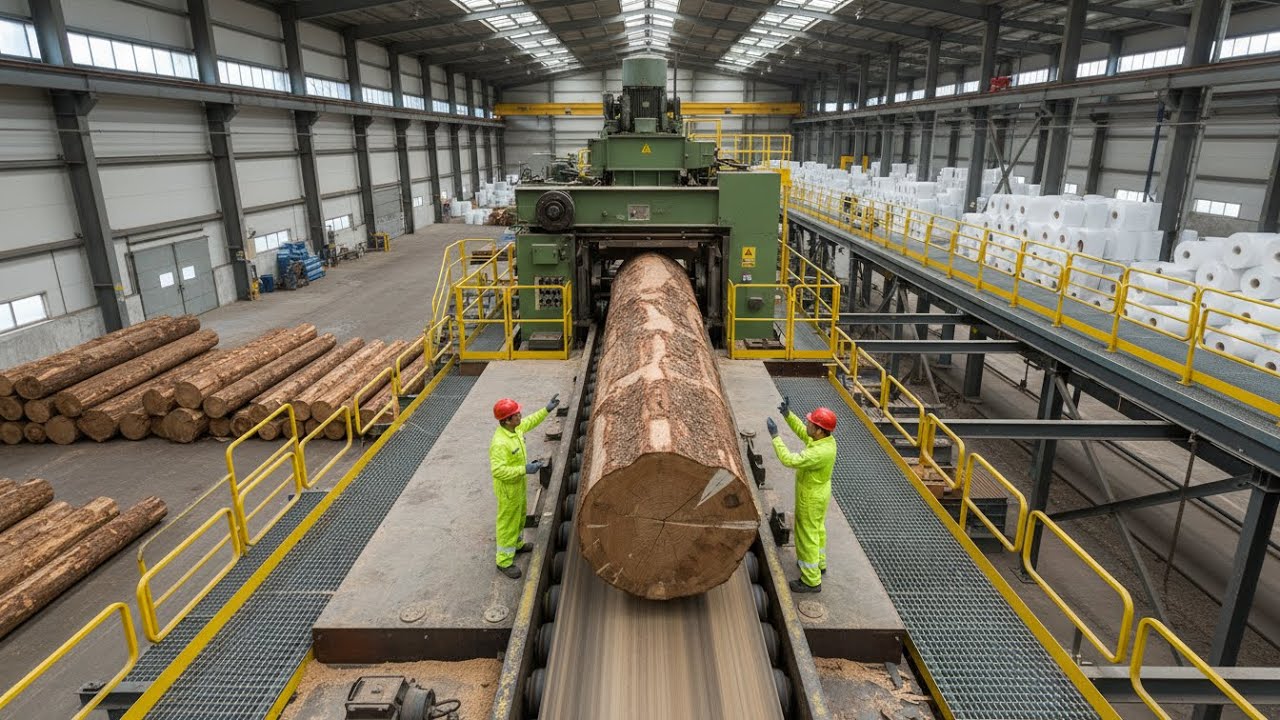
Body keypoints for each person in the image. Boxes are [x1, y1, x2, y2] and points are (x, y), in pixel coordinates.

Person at [766, 397, 837, 594]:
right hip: (820, 493)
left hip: (811, 497)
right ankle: (819, 564)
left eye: (811, 423)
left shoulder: (818, 453)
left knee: (806, 535)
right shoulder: (824, 441)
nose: (807, 425)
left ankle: (811, 581)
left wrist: (775, 437)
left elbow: (789, 460)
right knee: (817, 530)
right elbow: (802, 432)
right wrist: (788, 415)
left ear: (820, 430)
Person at [490, 393, 560, 578]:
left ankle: (517, 545)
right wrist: (524, 469)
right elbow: (498, 471)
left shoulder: (516, 429)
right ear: (507, 420)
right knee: (507, 522)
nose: (520, 416)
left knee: (520, 515)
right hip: (508, 489)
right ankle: (503, 561)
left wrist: (546, 409)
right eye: (517, 414)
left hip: (517, 484)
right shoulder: (500, 443)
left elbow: (530, 421)